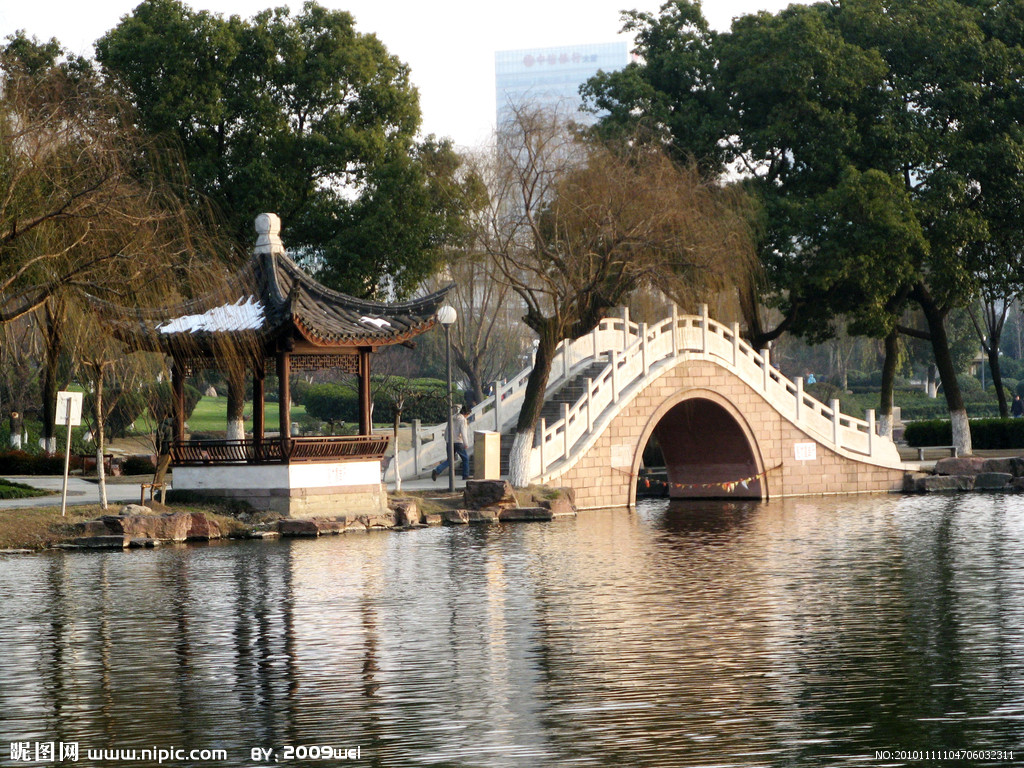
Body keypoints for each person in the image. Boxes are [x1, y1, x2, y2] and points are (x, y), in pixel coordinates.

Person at [432, 404, 471, 481]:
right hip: (458, 442)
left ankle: (437, 470)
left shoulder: (452, 417)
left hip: (449, 441)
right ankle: (465, 475)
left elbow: (447, 430)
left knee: (450, 460)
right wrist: (466, 443)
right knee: (465, 459)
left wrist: (447, 440)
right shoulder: (462, 420)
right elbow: (463, 433)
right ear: (466, 413)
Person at [153, 413, 174, 485]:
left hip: (165, 448)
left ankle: (158, 483)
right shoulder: (176, 424)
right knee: (176, 467)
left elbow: (159, 439)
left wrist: (158, 449)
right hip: (175, 448)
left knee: (162, 467)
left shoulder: (162, 425)